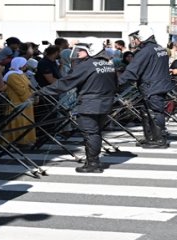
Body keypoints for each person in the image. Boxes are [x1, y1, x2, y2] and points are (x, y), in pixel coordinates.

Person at [39, 38, 118, 173]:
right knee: (96, 132)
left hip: (89, 104)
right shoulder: (108, 64)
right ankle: (93, 161)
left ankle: (93, 163)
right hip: (105, 103)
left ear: (91, 50)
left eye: (81, 50)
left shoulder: (87, 65)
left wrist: (42, 92)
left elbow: (66, 83)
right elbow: (116, 84)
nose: (78, 53)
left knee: (90, 133)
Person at [121, 25, 177, 148]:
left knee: (155, 112)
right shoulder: (159, 48)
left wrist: (117, 82)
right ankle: (151, 137)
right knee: (146, 111)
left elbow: (132, 70)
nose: (134, 41)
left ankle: (159, 140)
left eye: (135, 38)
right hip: (159, 84)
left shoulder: (145, 51)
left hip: (151, 86)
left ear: (141, 37)